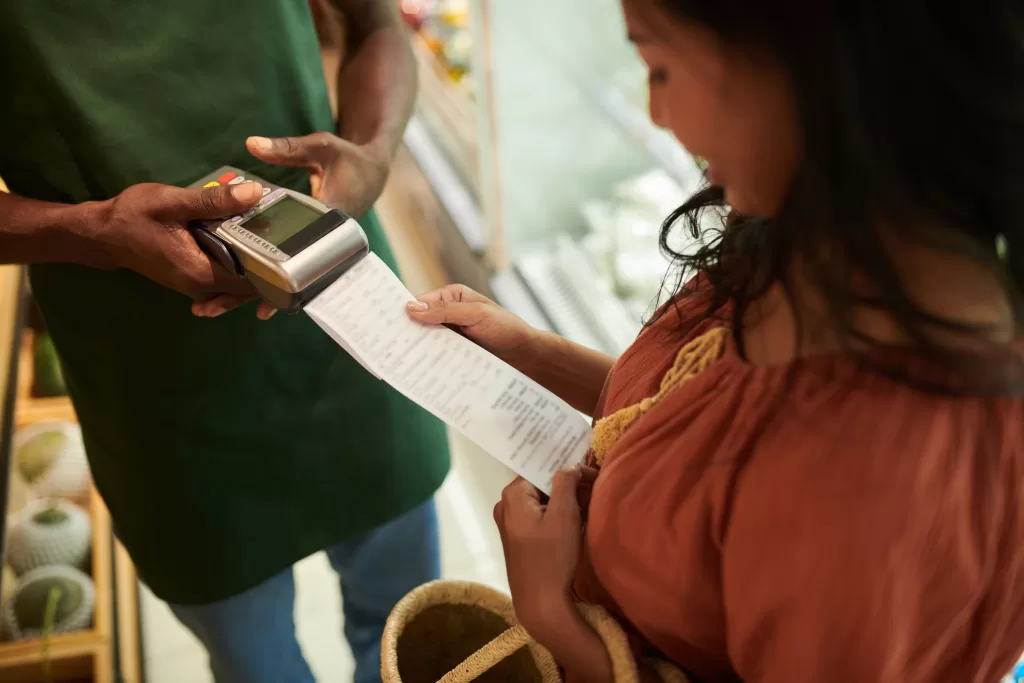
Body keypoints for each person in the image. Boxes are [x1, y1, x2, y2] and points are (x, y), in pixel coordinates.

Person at [408, 0, 1024, 681]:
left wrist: (551, 613)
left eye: (660, 67)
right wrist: (528, 348)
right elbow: (701, 410)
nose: (655, 112)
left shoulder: (873, 487)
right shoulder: (820, 239)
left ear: (806, 70)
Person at [0, 2, 449, 682]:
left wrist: (373, 151)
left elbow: (376, 26)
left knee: (416, 640)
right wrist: (91, 230)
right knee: (255, 662)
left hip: (342, 316)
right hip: (148, 374)